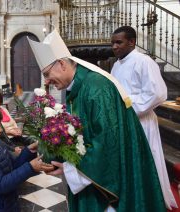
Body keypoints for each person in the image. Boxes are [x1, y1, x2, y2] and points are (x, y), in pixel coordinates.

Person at [27, 29, 165, 211]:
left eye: (47, 74)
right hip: (94, 176)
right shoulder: (78, 86)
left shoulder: (96, 87)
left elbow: (107, 143)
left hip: (110, 185)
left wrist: (70, 170)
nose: (46, 81)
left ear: (61, 64)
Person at [110, 25, 177, 209]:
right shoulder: (116, 65)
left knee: (145, 162)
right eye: (112, 43)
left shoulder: (144, 61)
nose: (114, 47)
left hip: (142, 121)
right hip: (124, 121)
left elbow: (157, 93)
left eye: (119, 42)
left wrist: (128, 106)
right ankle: (132, 198)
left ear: (132, 42)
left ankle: (149, 200)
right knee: (129, 163)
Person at [0, 103, 54, 212]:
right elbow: (0, 185)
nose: (0, 130)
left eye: (0, 125)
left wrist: (29, 150)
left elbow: (13, 166)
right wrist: (30, 167)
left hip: (9, 202)